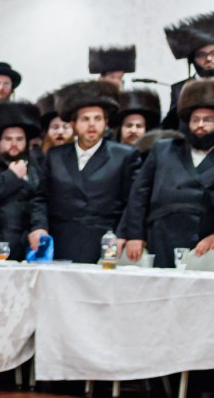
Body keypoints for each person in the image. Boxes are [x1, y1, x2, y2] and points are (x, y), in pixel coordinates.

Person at [120, 79, 214, 267]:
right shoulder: (163, 149)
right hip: (160, 235)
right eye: (195, 119)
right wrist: (134, 234)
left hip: (201, 243)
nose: (200, 125)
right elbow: (138, 194)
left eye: (208, 120)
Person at [28, 81, 140, 263]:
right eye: (85, 119)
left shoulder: (123, 155)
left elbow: (133, 201)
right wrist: (39, 227)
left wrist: (123, 234)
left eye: (98, 119)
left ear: (106, 123)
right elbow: (41, 198)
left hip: (105, 240)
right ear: (73, 124)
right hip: (61, 239)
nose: (92, 125)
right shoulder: (55, 156)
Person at [0, 100, 41, 259]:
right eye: (8, 139)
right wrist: (11, 176)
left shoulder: (36, 169)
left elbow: (40, 202)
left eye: (19, 139)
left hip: (26, 247)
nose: (14, 144)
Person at [160, 13, 214, 131]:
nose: (209, 59)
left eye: (213, 53)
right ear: (192, 60)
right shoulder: (179, 89)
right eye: (202, 55)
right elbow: (173, 126)